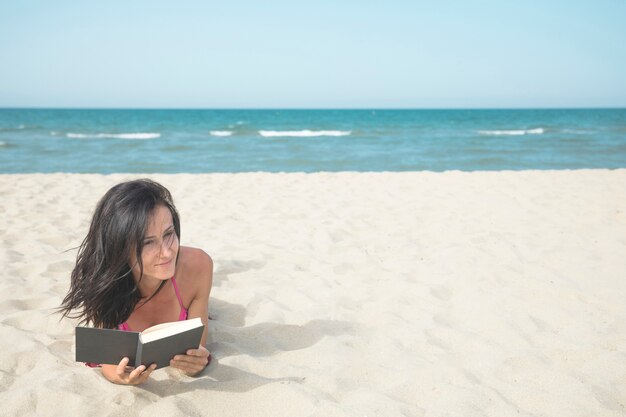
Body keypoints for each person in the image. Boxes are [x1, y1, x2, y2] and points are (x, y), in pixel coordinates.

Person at [59, 179, 213, 385]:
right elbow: (109, 363)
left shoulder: (198, 266)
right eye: (148, 242)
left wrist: (196, 365)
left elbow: (197, 348)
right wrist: (120, 377)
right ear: (119, 247)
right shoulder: (102, 283)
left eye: (169, 234)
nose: (167, 253)